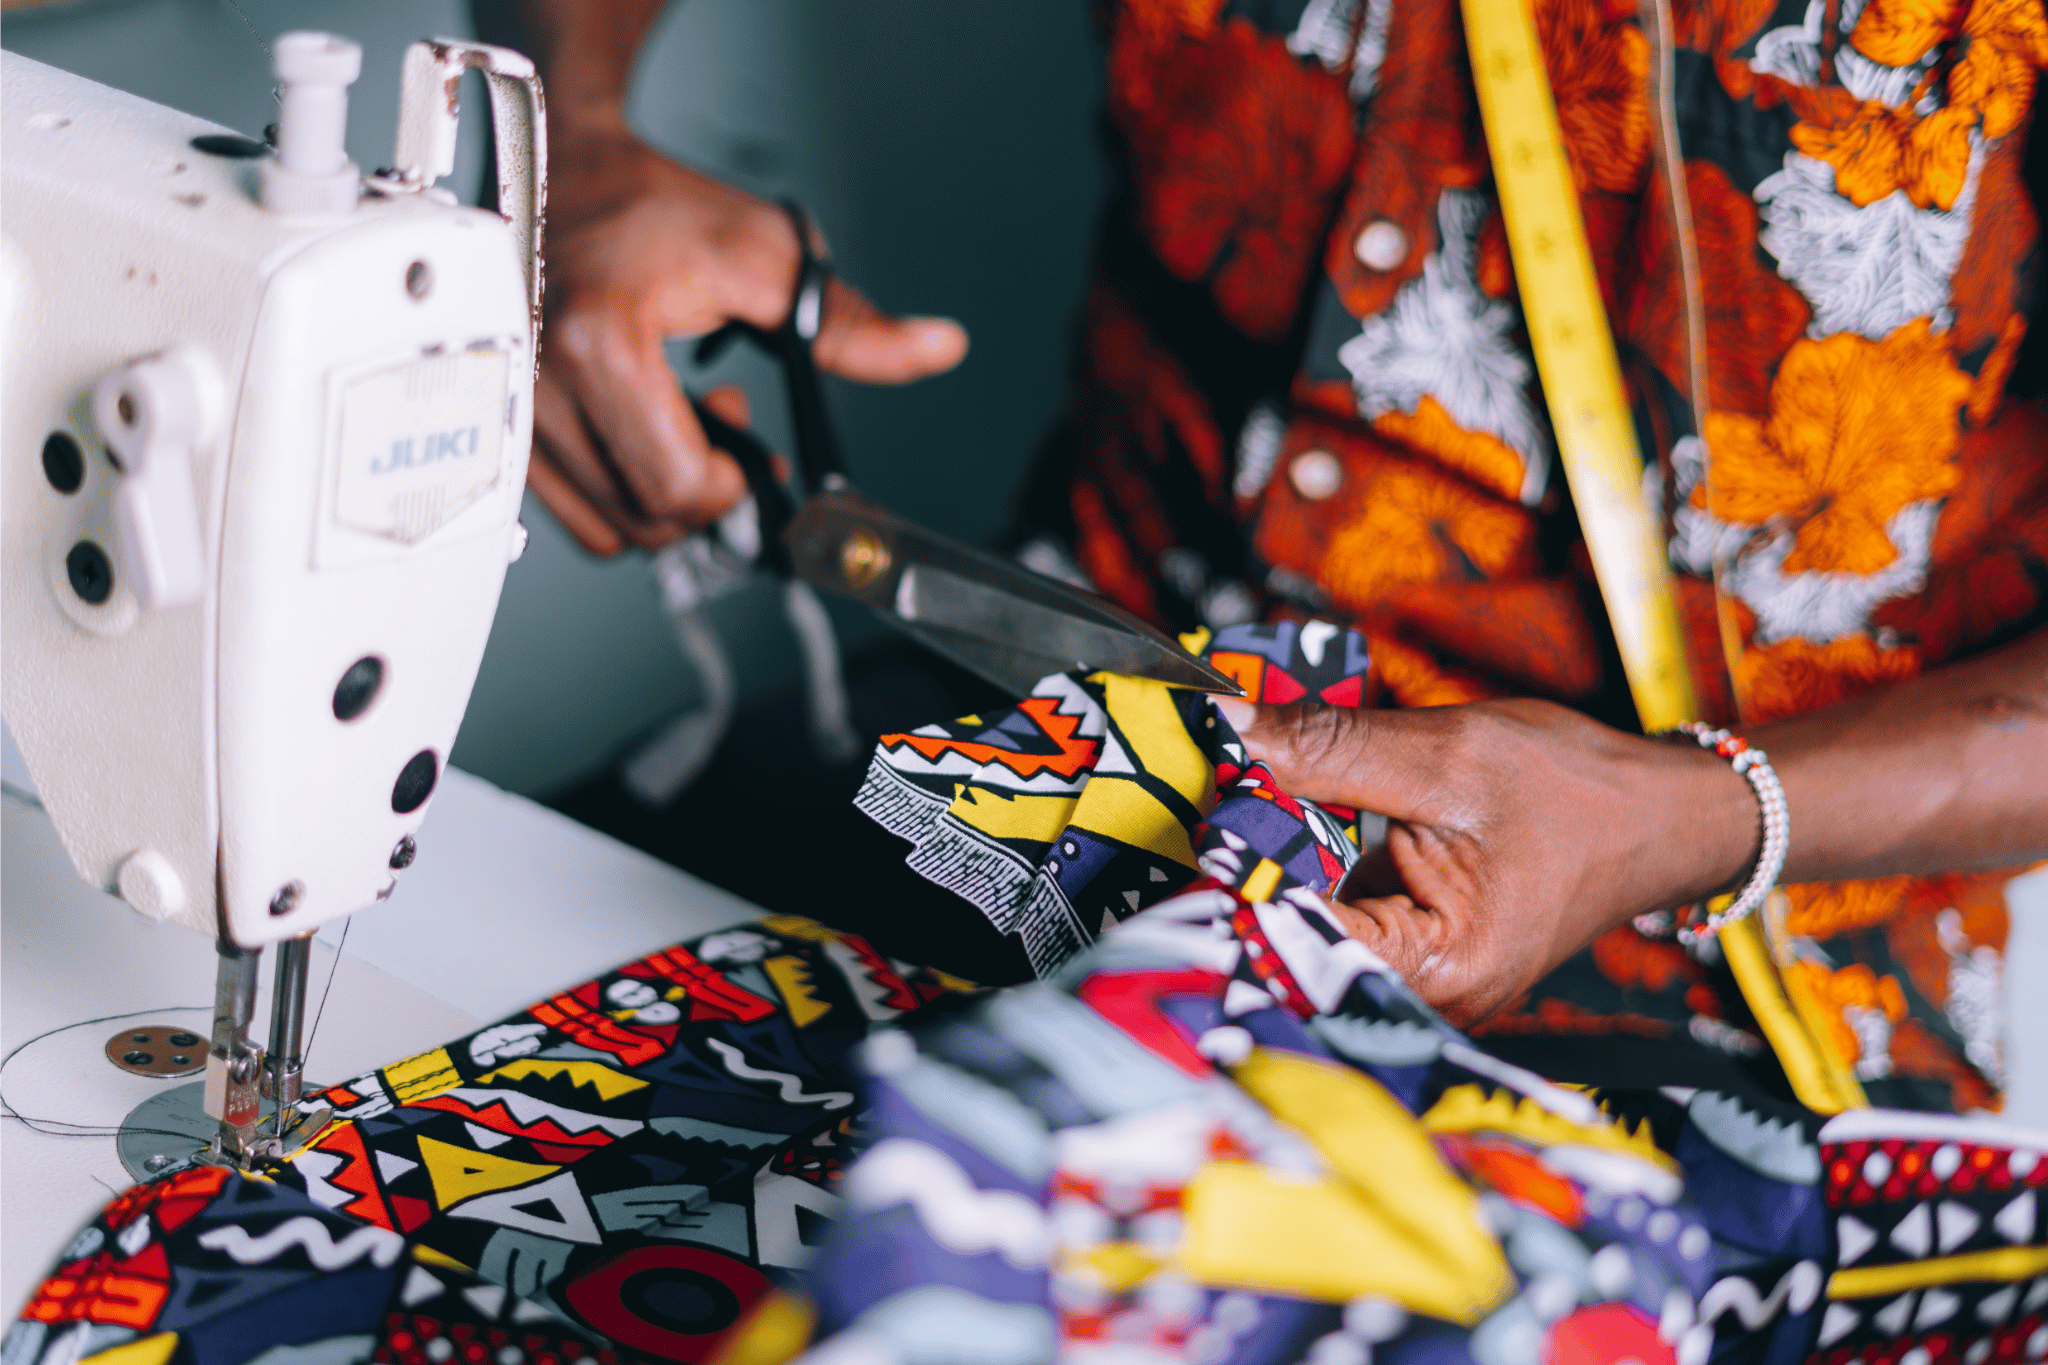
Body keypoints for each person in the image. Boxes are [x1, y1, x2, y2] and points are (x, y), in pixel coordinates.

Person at [500, 0, 2047, 1118]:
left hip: (1712, 916)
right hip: (1064, 683)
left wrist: (1693, 815)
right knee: (494, 1015)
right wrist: (580, 140)